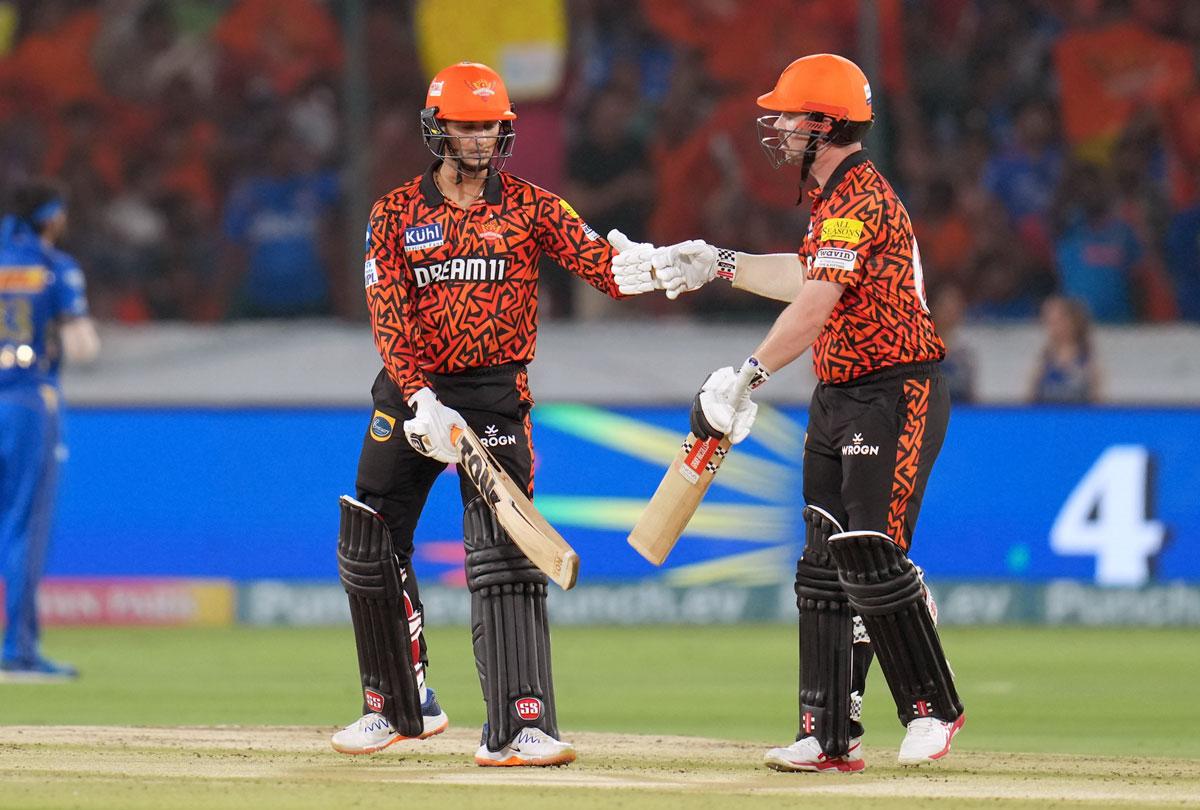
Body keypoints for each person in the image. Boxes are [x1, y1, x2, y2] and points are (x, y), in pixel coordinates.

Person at [613, 54, 964, 771]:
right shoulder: (830, 200)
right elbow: (807, 275)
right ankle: (828, 732)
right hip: (839, 395)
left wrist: (751, 374)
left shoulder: (861, 196)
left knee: (870, 553)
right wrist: (718, 261)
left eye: (788, 115)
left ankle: (932, 708)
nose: (773, 125)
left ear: (826, 123)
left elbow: (814, 306)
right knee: (823, 562)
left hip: (897, 393)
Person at [331, 61, 643, 766]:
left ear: (504, 131)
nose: (476, 139)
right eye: (464, 126)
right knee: (369, 538)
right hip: (413, 393)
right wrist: (419, 400)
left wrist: (656, 263)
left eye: (488, 127)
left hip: (495, 396)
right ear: (438, 128)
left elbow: (605, 270)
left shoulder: (534, 206)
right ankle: (397, 706)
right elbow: (389, 319)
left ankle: (520, 724)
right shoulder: (393, 214)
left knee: (504, 557)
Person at [0, 178, 100, 680]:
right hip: (25, 404)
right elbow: (84, 348)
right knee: (23, 526)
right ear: (53, 217)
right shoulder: (55, 268)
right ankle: (17, 651)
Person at [1028, 295, 1102, 404]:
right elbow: (1030, 398)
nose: (1051, 327)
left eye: (1057, 321)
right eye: (1049, 322)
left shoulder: (1088, 362)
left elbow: (1097, 401)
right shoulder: (1044, 361)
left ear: (1072, 322)